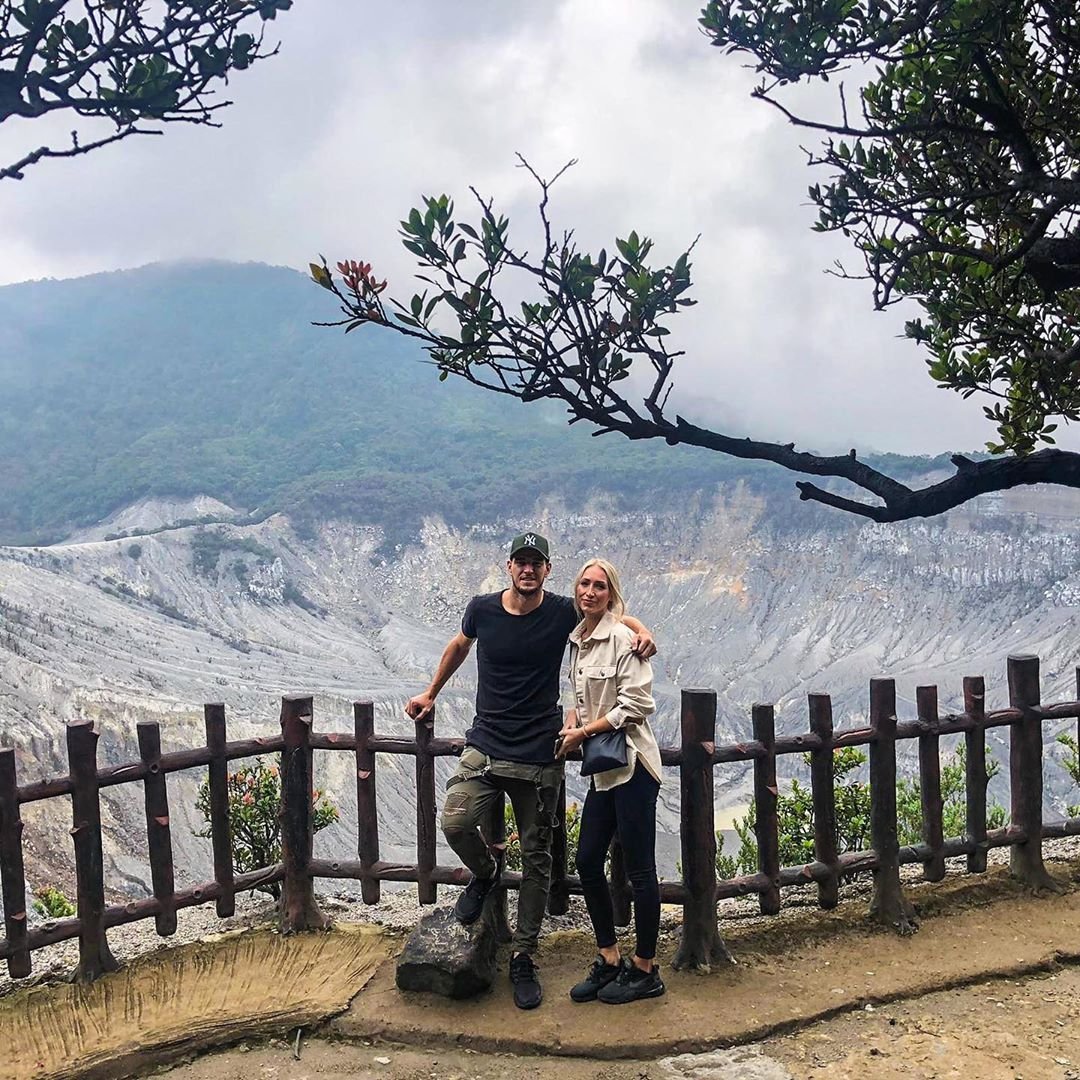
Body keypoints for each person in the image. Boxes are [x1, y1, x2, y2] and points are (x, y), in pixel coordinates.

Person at [405, 532, 655, 1011]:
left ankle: (524, 955)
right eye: (520, 561)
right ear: (509, 566)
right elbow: (459, 645)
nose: (527, 569)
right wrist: (430, 692)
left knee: (539, 858)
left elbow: (612, 614)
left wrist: (643, 631)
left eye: (536, 563)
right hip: (485, 742)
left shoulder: (562, 611)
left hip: (538, 753)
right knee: (455, 821)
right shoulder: (482, 608)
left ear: (546, 570)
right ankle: (486, 872)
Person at [556, 558, 665, 1005]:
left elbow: (637, 704)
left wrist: (584, 732)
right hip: (605, 772)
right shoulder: (577, 641)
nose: (590, 591)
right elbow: (575, 696)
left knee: (640, 870)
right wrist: (570, 723)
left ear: (610, 592)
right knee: (586, 861)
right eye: (584, 583)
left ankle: (645, 969)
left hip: (634, 765)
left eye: (599, 586)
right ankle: (610, 957)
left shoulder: (623, 639)